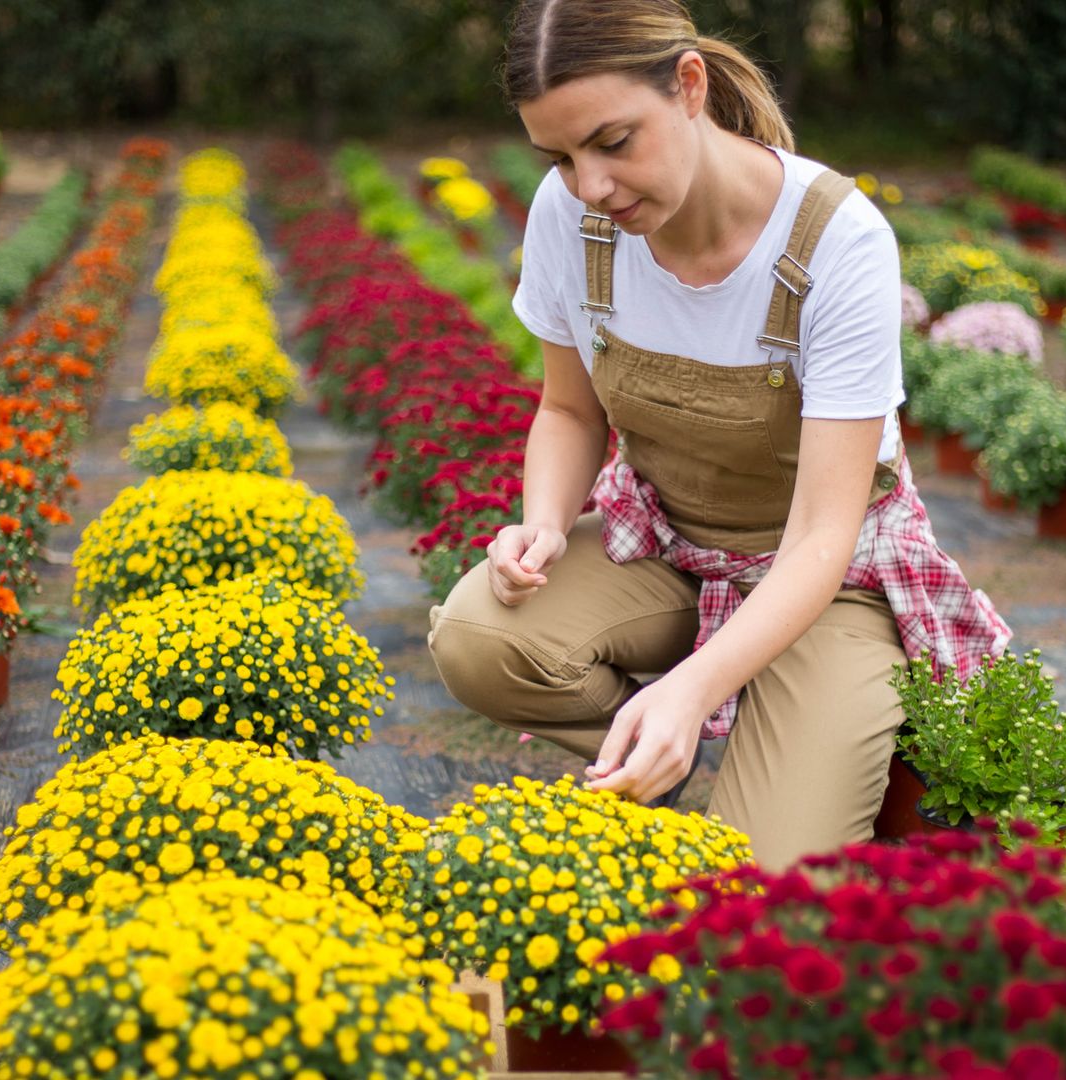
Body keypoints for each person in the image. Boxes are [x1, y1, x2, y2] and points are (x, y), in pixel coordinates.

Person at [426, 0, 1009, 870]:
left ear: (689, 85)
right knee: (479, 638)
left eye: (613, 142)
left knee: (759, 883)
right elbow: (570, 410)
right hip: (671, 545)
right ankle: (678, 754)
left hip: (827, 583)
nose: (590, 185)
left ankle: (795, 747)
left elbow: (822, 535)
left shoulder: (834, 242)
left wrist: (693, 688)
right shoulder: (572, 218)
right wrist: (544, 520)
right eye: (562, 156)